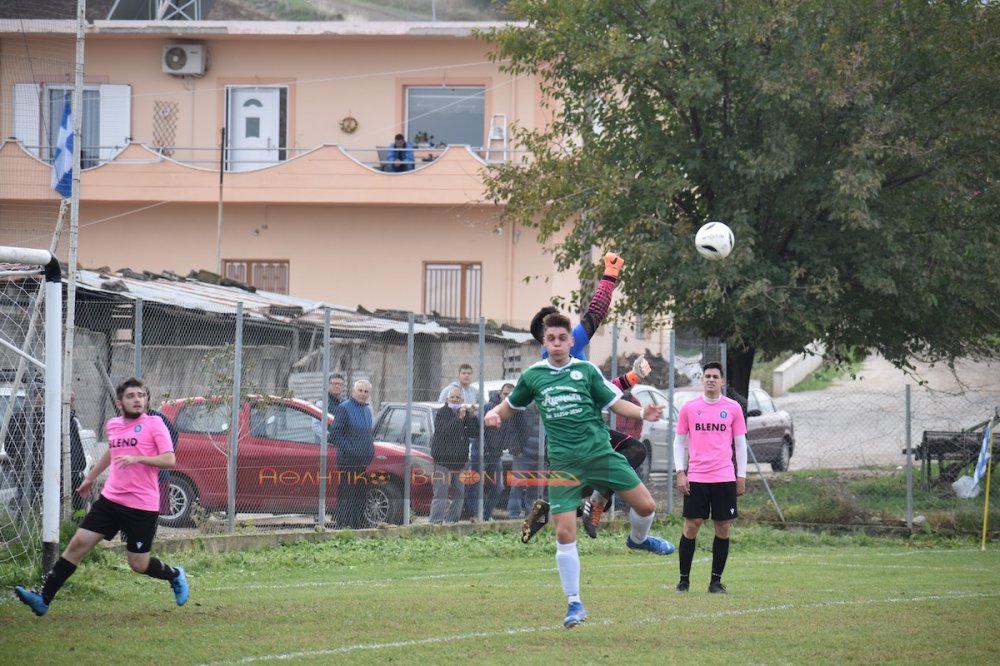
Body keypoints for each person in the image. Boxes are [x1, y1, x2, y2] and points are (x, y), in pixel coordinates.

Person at [485, 312, 673, 628]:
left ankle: (638, 540)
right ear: (544, 343)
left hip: (600, 454)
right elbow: (511, 405)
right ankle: (574, 604)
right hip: (564, 466)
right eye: (551, 338)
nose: (557, 343)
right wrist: (495, 413)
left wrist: (643, 411)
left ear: (572, 341)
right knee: (564, 532)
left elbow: (615, 403)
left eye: (562, 338)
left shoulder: (585, 371)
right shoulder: (533, 376)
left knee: (646, 506)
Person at [13, 377, 189, 617]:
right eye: (131, 396)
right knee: (77, 544)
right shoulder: (114, 425)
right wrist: (91, 477)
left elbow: (169, 459)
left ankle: (175, 575)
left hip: (142, 505)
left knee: (138, 564)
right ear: (120, 403)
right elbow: (112, 451)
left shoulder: (155, 424)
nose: (137, 400)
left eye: (141, 395)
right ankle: (43, 598)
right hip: (111, 500)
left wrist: (138, 458)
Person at [673, 361, 748, 595]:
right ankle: (683, 581)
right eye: (707, 376)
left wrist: (741, 475)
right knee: (691, 526)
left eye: (716, 376)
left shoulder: (733, 408)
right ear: (702, 380)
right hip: (697, 477)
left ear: (723, 381)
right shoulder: (689, 408)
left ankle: (716, 582)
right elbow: (679, 441)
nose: (711, 380)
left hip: (724, 477)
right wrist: (680, 472)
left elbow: (740, 445)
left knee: (722, 527)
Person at [580, 356, 652, 538]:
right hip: (575, 438)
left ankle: (597, 498)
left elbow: (610, 388)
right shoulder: (557, 372)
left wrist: (635, 375)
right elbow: (612, 397)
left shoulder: (582, 367)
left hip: (595, 434)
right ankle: (587, 498)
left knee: (636, 450)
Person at [466, 383, 524, 520]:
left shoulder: (512, 411)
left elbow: (514, 432)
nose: (507, 397)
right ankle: (475, 514)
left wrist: (511, 447)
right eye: (505, 394)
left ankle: (486, 514)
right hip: (481, 452)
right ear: (500, 394)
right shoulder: (490, 408)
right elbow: (479, 430)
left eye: (511, 395)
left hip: (496, 455)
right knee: (475, 484)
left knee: (498, 487)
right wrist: (486, 448)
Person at [328, 379, 375, 529]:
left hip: (363, 462)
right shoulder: (344, 408)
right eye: (360, 390)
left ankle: (357, 526)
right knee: (347, 495)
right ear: (353, 392)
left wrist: (370, 451)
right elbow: (334, 434)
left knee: (359, 494)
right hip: (348, 461)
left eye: (366, 391)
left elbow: (367, 435)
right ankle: (344, 527)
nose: (363, 394)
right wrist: (351, 450)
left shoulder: (367, 411)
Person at [429, 388, 476, 524]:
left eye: (457, 398)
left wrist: (472, 416)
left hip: (460, 462)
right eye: (452, 397)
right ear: (448, 399)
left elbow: (474, 433)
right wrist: (458, 418)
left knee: (459, 494)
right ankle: (435, 523)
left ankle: (452, 522)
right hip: (443, 461)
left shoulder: (465, 414)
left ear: (462, 400)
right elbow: (444, 431)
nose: (455, 400)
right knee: (441, 494)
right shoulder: (442, 413)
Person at [506, 401, 543, 519]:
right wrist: (516, 450)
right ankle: (513, 516)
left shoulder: (548, 413)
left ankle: (530, 515)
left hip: (541, 458)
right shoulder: (524, 411)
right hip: (523, 456)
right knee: (517, 486)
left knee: (535, 488)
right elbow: (513, 430)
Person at [312, 373, 345, 440]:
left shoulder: (344, 403)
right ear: (328, 385)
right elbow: (316, 425)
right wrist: (329, 437)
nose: (337, 386)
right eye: (334, 384)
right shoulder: (321, 403)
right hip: (325, 445)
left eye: (339, 384)